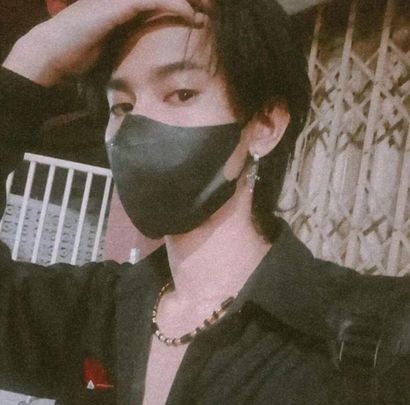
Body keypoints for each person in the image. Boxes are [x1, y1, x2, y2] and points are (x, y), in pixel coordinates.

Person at [1, 0, 410, 404]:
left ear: (264, 125)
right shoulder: (93, 310)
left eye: (181, 93)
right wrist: (33, 57)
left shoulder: (377, 329)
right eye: (122, 106)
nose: (138, 127)